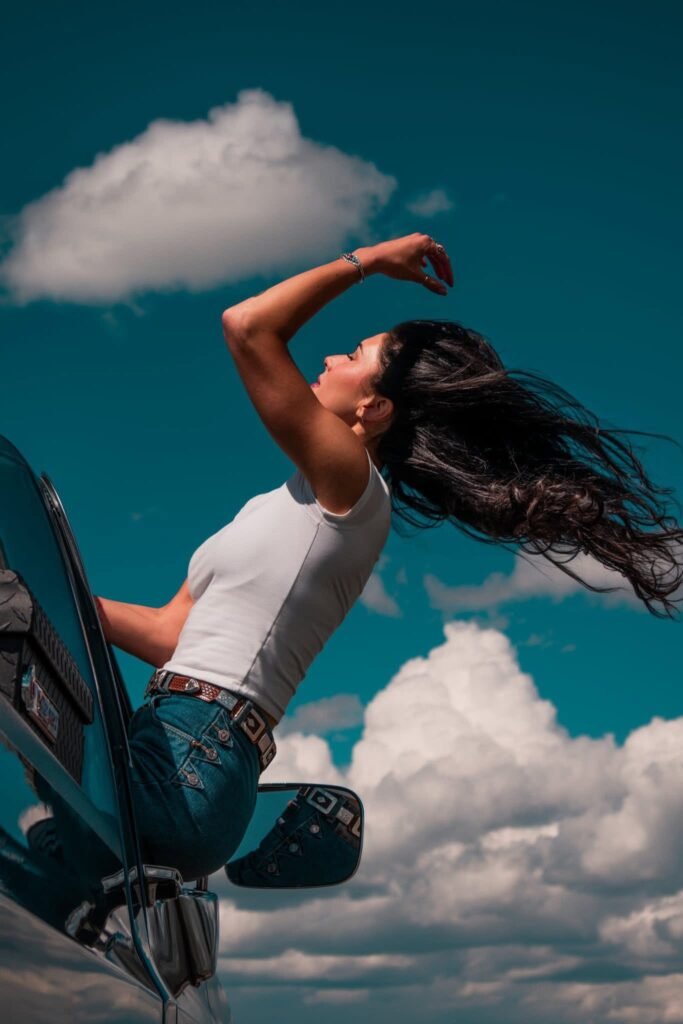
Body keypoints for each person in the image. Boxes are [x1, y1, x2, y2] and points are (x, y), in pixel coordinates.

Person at [96, 232, 683, 882]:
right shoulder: (284, 505)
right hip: (185, 740)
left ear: (373, 408)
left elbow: (249, 326)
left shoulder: (351, 488)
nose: (327, 354)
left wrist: (367, 262)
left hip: (197, 746)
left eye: (353, 353)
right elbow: (168, 634)